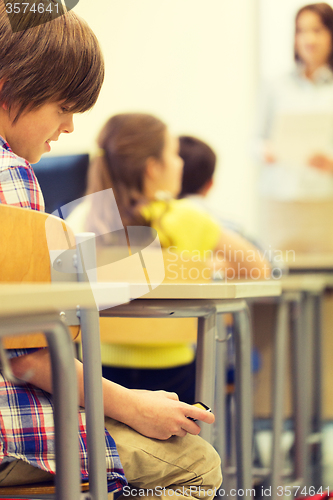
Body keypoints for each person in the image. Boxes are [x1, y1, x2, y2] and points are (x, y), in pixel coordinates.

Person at [0, 4, 222, 498]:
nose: (70, 127)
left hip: (86, 372)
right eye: (63, 107)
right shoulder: (12, 176)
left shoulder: (80, 219)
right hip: (15, 433)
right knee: (197, 461)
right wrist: (134, 406)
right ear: (12, 86)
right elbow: (29, 356)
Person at [66, 113, 271, 405]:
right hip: (174, 379)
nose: (180, 163)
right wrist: (204, 268)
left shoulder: (83, 218)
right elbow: (258, 269)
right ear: (152, 168)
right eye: (174, 154)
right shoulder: (188, 217)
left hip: (97, 380)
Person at [255, 2, 333, 252]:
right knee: (280, 272)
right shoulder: (276, 86)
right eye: (301, 31)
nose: (309, 39)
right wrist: (265, 151)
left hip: (325, 200)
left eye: (317, 30)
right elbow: (254, 140)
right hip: (282, 198)